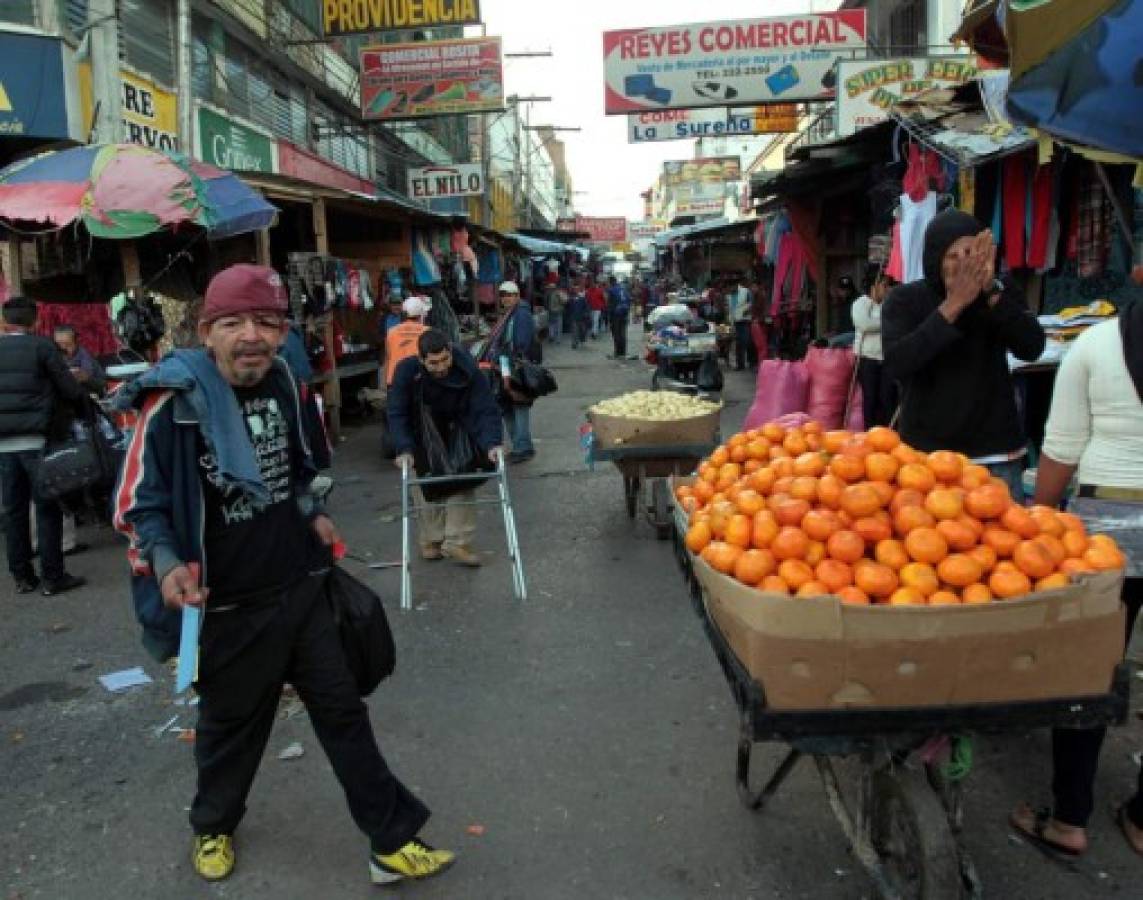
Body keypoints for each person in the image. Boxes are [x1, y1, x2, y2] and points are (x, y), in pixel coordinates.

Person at [112, 264, 452, 885]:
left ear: (280, 333)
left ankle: (391, 840)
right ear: (206, 331)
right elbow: (138, 505)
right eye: (234, 323)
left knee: (343, 712)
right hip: (228, 608)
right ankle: (213, 825)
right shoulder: (170, 404)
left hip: (300, 589)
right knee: (230, 731)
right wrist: (164, 565)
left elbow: (297, 471)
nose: (252, 336)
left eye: (266, 323)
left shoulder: (285, 385)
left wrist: (312, 514)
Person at [1008, 298, 1143, 858]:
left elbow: (1060, 450)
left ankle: (1069, 818)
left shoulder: (1096, 345)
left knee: (1087, 668)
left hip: (1109, 527)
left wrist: (1039, 524)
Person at [882, 210, 1046, 498]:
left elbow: (1032, 347)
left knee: (1007, 539)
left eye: (970, 254)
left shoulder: (1000, 293)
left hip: (995, 455)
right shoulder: (905, 300)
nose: (962, 264)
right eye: (952, 256)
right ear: (935, 261)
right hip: (927, 457)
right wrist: (954, 304)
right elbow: (898, 362)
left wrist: (993, 294)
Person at [387, 329, 504, 567]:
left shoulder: (466, 367)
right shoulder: (407, 371)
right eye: (433, 363)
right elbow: (397, 412)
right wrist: (403, 449)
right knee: (426, 485)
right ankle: (432, 539)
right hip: (423, 432)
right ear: (421, 360)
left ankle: (457, 541)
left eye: (444, 360)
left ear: (450, 352)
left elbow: (485, 407)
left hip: (458, 427)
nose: (440, 367)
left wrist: (492, 443)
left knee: (463, 477)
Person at [0, 297, 87, 596]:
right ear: (35, 321)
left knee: (13, 511)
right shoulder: (42, 347)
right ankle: (53, 577)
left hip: (3, 446)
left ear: (4, 321)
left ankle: (22, 577)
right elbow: (69, 388)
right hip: (38, 440)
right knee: (47, 506)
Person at [487, 281, 536, 463]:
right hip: (505, 366)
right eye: (503, 295)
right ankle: (520, 445)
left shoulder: (521, 314)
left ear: (517, 296)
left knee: (518, 405)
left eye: (510, 294)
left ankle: (523, 447)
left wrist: (506, 358)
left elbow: (521, 344)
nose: (506, 298)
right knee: (507, 406)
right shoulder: (510, 314)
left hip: (514, 368)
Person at [851, 267, 899, 428]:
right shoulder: (860, 303)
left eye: (887, 286)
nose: (887, 289)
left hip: (886, 358)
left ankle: (890, 433)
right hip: (866, 359)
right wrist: (887, 323)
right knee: (870, 399)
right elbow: (865, 325)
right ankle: (870, 433)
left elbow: (897, 324)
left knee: (888, 398)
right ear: (873, 287)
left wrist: (885, 323)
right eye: (884, 285)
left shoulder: (889, 304)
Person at [384, 296, 430, 388]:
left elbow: (388, 358)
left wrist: (388, 382)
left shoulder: (392, 332)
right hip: (417, 381)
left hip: (394, 381)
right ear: (421, 315)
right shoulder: (428, 332)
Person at [53, 325, 107, 396]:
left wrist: (87, 379)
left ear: (76, 342)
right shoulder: (53, 355)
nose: (63, 348)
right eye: (59, 345)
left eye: (67, 344)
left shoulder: (85, 357)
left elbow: (102, 384)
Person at [729, 276, 755, 371]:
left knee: (747, 341)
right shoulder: (730, 295)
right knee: (739, 343)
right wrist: (731, 322)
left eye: (731, 287)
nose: (730, 289)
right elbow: (731, 309)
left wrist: (747, 310)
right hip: (736, 321)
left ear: (736, 285)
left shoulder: (746, 291)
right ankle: (740, 365)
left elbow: (752, 303)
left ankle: (751, 362)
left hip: (745, 321)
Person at [606, 276, 632, 359]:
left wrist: (609, 315)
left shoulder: (611, 290)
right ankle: (623, 352)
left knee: (616, 333)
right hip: (624, 313)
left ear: (611, 282)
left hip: (615, 314)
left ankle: (617, 352)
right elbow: (629, 300)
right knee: (623, 333)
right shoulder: (624, 289)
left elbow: (609, 304)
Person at [567, 280, 589, 349]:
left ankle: (582, 340)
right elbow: (568, 308)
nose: (575, 290)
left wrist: (585, 314)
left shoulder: (582, 298)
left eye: (577, 289)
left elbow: (586, 307)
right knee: (574, 331)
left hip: (581, 317)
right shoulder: (571, 299)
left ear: (579, 290)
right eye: (574, 289)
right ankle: (574, 343)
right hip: (573, 317)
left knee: (582, 330)